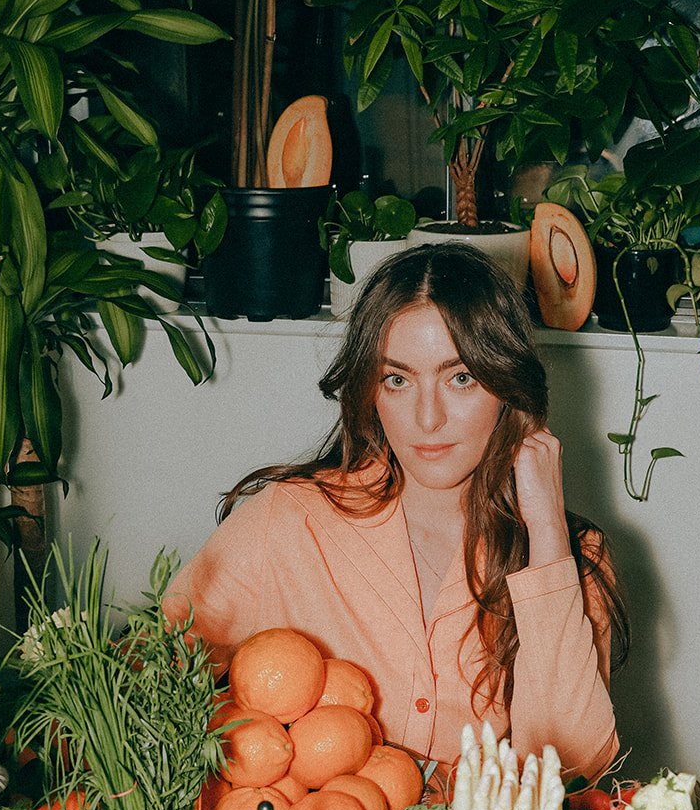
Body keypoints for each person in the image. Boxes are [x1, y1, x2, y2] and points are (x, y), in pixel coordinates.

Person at [166, 244, 626, 782]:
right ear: (370, 391)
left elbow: (571, 772)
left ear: (506, 386)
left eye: (461, 378)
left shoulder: (571, 557)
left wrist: (546, 531)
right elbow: (145, 674)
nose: (428, 418)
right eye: (398, 380)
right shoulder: (289, 521)